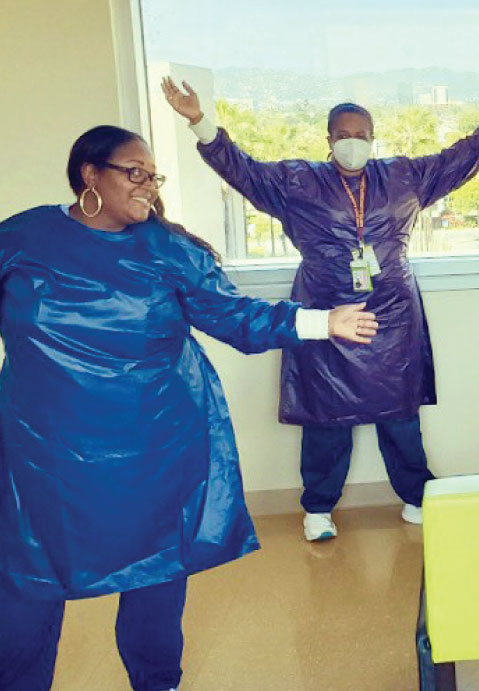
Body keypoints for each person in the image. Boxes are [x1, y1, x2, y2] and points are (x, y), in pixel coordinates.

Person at [0, 125, 376, 690]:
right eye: (135, 172)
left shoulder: (168, 251)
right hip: (44, 456)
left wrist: (322, 322)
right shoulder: (23, 238)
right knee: (27, 582)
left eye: (154, 176)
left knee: (154, 574)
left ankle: (158, 683)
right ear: (89, 175)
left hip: (150, 450)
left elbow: (235, 318)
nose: (149, 185)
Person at [162, 77, 479, 540]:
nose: (353, 143)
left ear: (373, 138)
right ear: (329, 140)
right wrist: (200, 121)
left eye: (361, 135)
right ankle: (318, 507)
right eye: (344, 135)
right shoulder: (299, 182)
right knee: (324, 415)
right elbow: (244, 171)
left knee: (400, 414)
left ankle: (416, 496)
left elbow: (453, 162)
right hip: (323, 311)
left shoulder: (402, 176)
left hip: (392, 315)